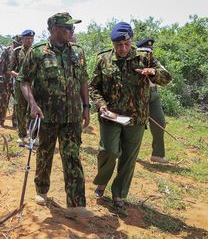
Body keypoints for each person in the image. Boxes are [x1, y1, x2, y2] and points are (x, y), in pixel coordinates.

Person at [18, 12, 93, 219]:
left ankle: (76, 205)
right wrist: (32, 104)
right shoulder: (37, 52)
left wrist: (86, 106)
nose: (72, 31)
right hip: (46, 116)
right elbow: (23, 80)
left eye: (72, 28)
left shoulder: (78, 52)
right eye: (68, 28)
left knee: (73, 157)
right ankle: (42, 190)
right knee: (45, 154)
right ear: (54, 30)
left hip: (72, 117)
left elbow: (83, 80)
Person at [89, 22, 172, 208]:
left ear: (131, 40)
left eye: (126, 44)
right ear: (113, 44)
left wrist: (152, 73)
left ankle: (119, 193)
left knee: (128, 157)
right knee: (109, 151)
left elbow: (166, 77)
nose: (123, 48)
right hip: (110, 116)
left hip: (136, 117)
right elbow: (93, 86)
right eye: (118, 45)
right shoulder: (103, 59)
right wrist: (101, 105)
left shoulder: (145, 57)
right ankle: (102, 181)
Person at [137, 38, 169, 164]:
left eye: (149, 51)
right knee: (136, 126)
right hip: (138, 96)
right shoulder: (133, 61)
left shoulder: (154, 61)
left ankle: (157, 154)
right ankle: (128, 154)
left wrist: (154, 72)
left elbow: (165, 74)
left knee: (160, 122)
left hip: (153, 94)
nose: (147, 54)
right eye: (144, 51)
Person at [9, 29, 35, 143]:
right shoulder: (16, 51)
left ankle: (33, 135)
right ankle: (22, 135)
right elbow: (10, 70)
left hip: (34, 85)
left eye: (31, 38)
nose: (29, 40)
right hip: (20, 85)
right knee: (20, 109)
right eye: (27, 38)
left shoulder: (36, 51)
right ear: (22, 39)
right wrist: (19, 76)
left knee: (33, 109)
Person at [0, 35, 22, 127]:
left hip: (17, 80)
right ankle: (1, 121)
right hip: (6, 79)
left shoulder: (22, 51)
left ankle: (15, 122)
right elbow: (1, 63)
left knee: (17, 101)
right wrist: (1, 76)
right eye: (16, 43)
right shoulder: (7, 51)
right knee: (4, 100)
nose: (17, 44)